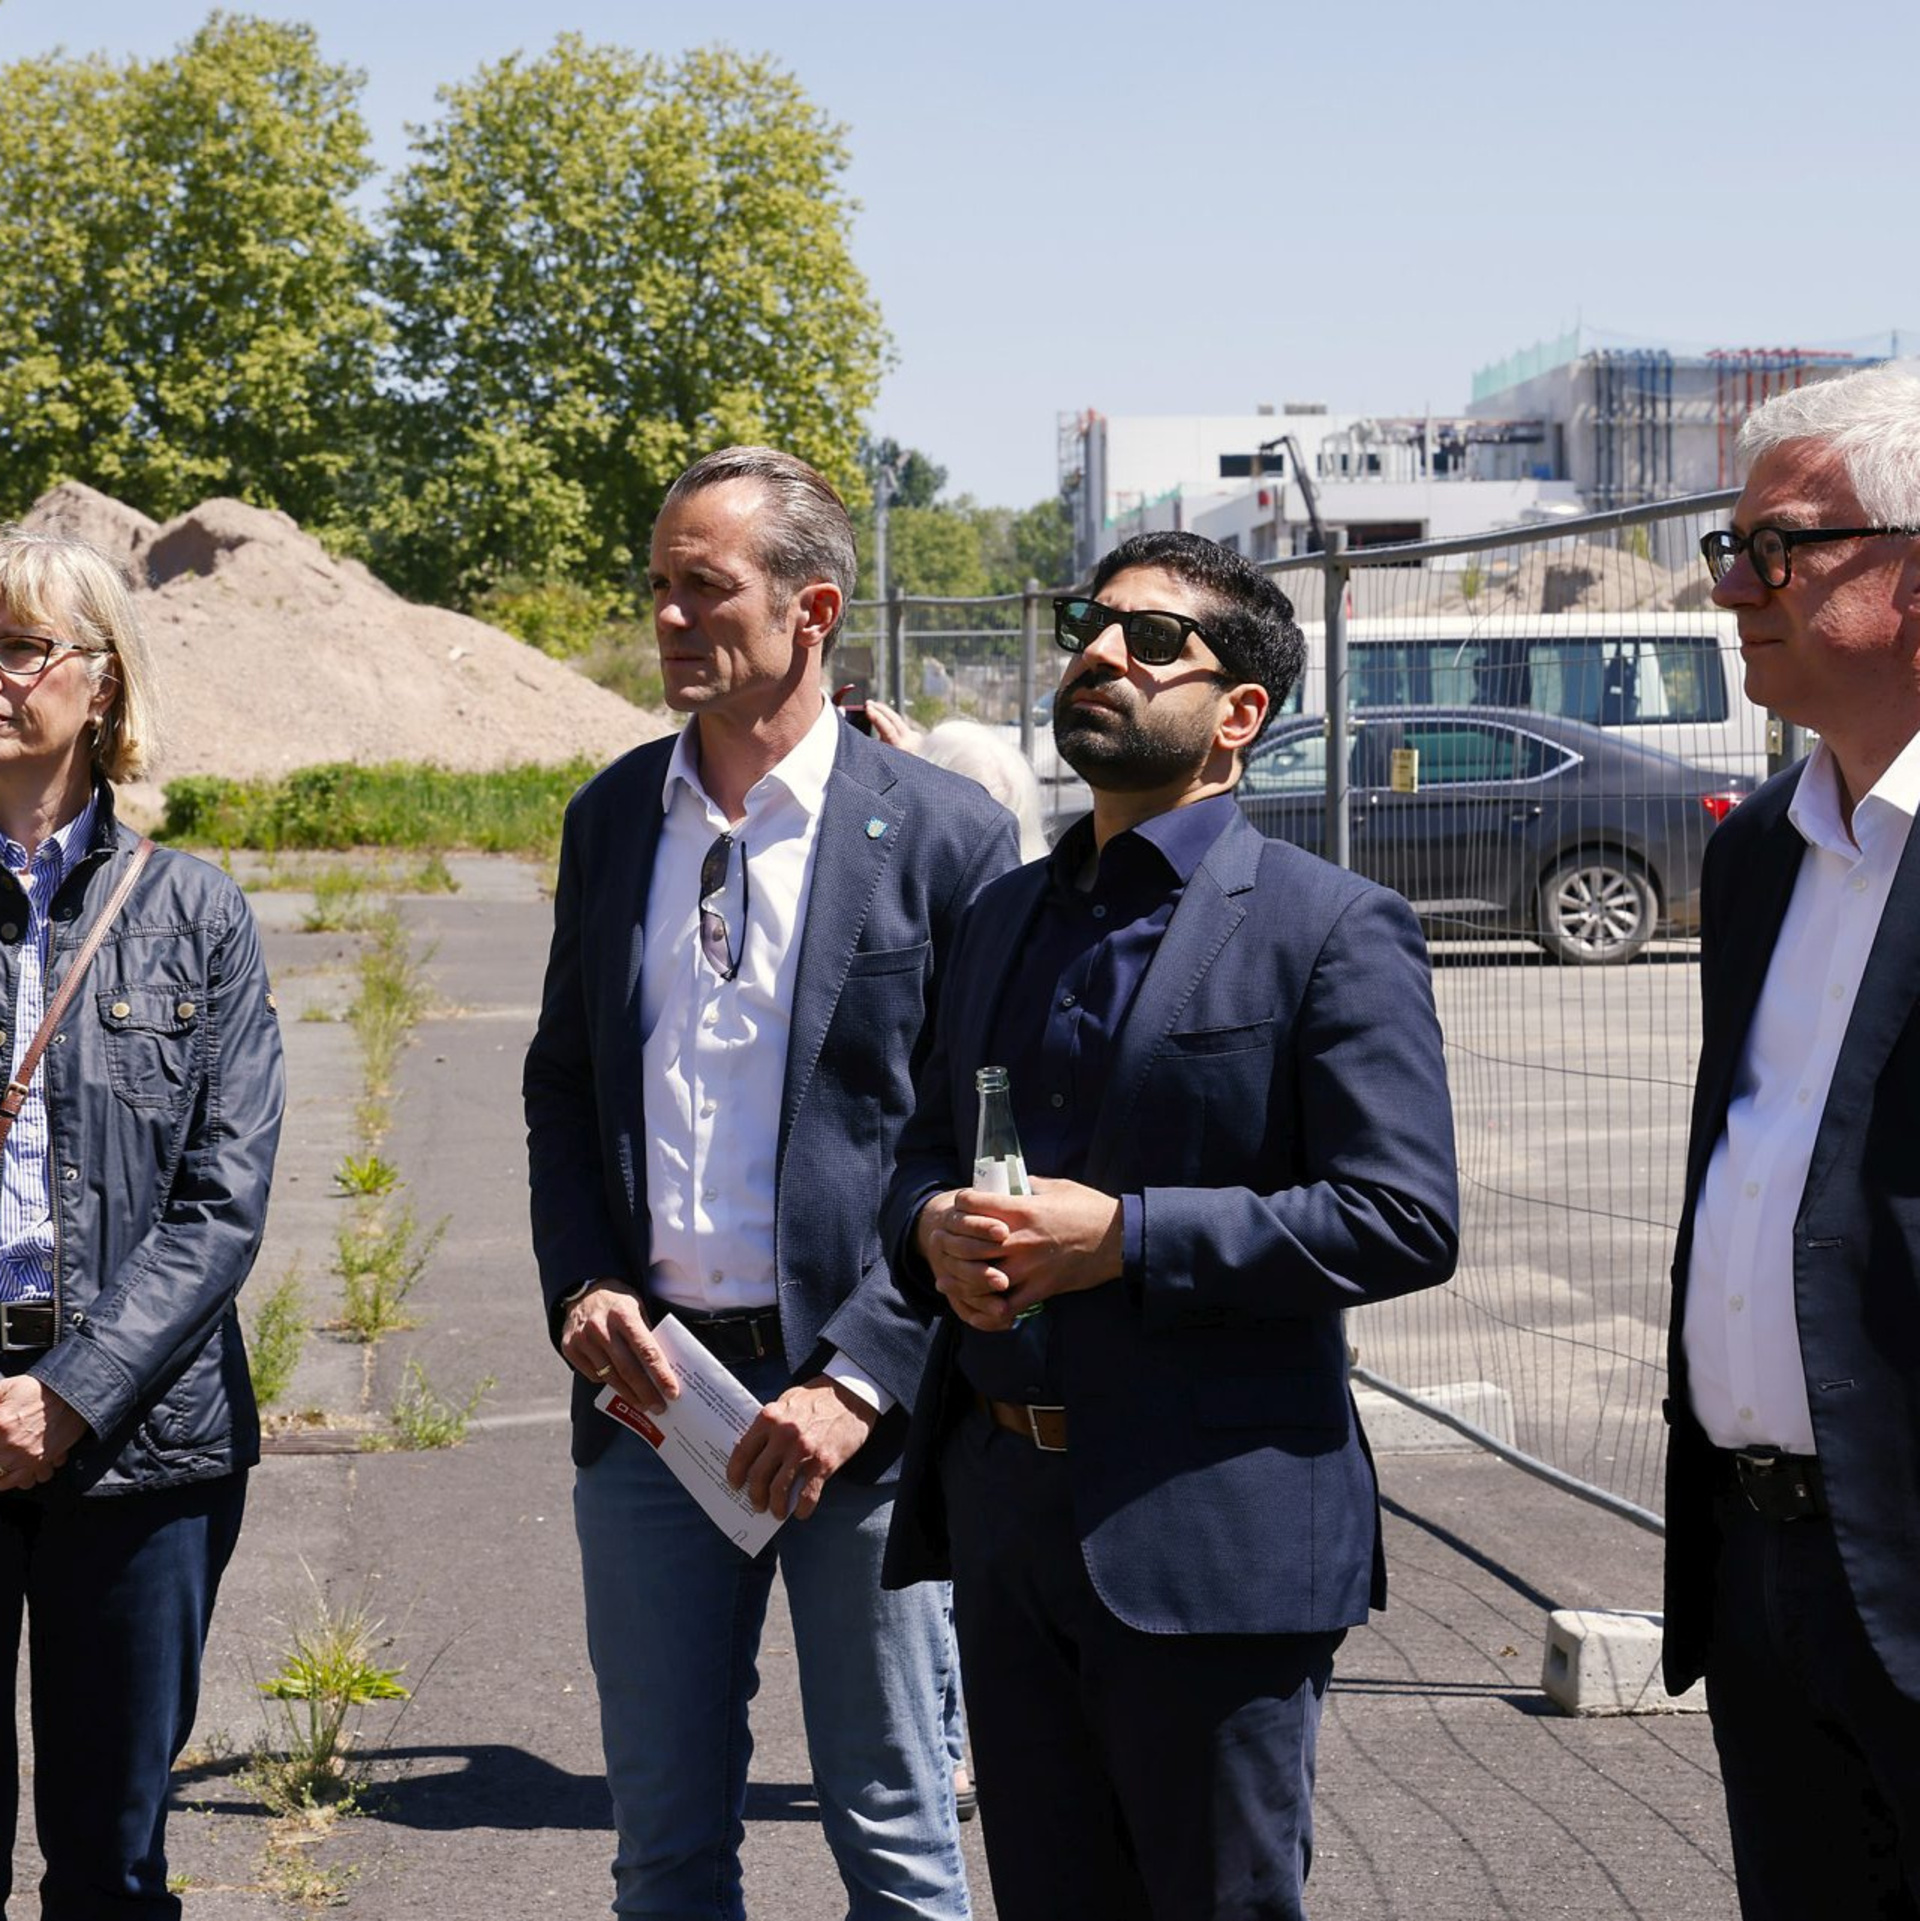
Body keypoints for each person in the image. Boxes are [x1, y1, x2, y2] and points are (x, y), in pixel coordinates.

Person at [881, 529, 1460, 1920]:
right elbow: (914, 1154)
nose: (1096, 651)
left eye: (1149, 641)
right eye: (1092, 625)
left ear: (1238, 716)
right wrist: (931, 1231)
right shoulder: (1002, 915)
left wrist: (1127, 1234)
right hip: (1009, 1520)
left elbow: (1402, 1215)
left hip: (1213, 1538)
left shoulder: (1332, 928)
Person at [522, 446, 1018, 1919]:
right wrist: (584, 1282)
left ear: (811, 608)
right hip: (656, 1404)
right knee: (665, 1847)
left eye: (704, 586)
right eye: (658, 586)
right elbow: (563, 1083)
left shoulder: (942, 835)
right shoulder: (615, 821)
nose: (669, 616)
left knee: (898, 1834)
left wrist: (863, 1375)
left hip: (862, 1421)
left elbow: (970, 1138)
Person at [1663, 361, 1920, 1917]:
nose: (1733, 584)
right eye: (1728, 545)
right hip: (1763, 1567)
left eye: (1783, 544)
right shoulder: (1761, 850)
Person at [0, 528, 284, 1917]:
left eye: (21, 648)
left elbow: (224, 1204)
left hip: (141, 1438)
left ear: (101, 683)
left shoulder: (194, 912)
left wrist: (68, 1393)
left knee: (111, 1859)